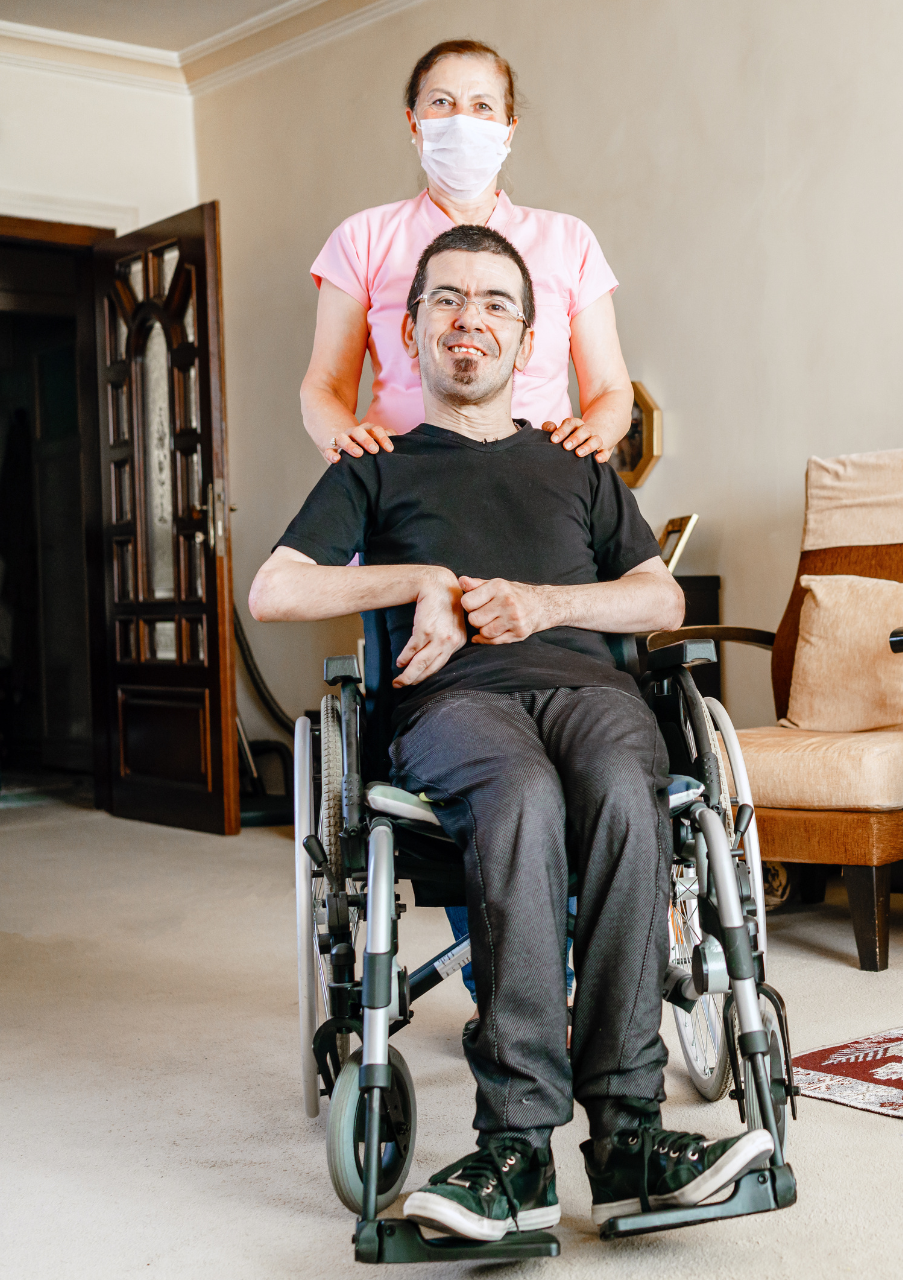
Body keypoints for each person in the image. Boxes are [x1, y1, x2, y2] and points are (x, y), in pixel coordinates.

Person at [251, 226, 774, 1242]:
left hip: (589, 693)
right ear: (409, 333)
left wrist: (540, 603)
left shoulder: (576, 465)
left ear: (526, 339)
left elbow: (657, 596)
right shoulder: (376, 465)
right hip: (455, 706)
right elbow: (277, 586)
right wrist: (423, 582)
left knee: (628, 790)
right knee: (523, 793)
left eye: (495, 302)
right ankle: (518, 1145)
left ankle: (628, 1139)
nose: (469, 319)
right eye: (446, 300)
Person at [302, 39, 634, 993]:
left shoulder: (566, 240)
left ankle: (578, 954)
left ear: (510, 126)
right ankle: (514, 973)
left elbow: (609, 390)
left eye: (483, 106)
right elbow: (326, 386)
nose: (463, 122)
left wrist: (585, 439)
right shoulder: (364, 238)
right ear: (414, 122)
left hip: (539, 492)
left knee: (585, 720)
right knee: (466, 729)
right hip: (415, 506)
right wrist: (352, 454)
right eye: (441, 104)